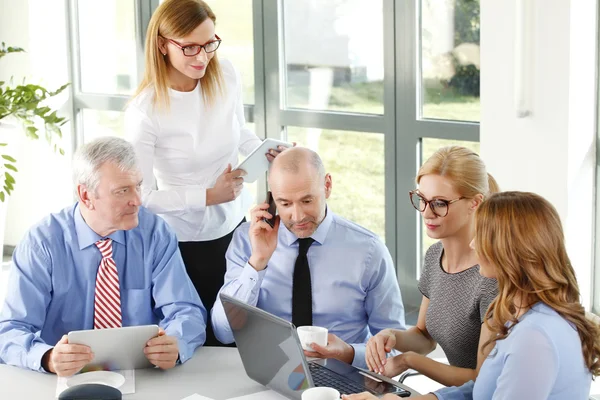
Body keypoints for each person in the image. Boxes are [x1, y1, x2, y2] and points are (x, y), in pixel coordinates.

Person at [124, 0, 284, 346]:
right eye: (190, 47)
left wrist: (265, 151)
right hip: (183, 242)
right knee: (199, 338)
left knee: (238, 332)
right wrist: (209, 196)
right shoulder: (145, 110)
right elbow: (143, 197)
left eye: (209, 43)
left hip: (233, 227)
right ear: (163, 45)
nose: (202, 57)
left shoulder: (224, 73)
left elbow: (237, 130)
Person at [343, 192, 600, 400]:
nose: (473, 244)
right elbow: (481, 390)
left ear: (508, 249)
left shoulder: (534, 338)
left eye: (482, 236)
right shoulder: (519, 316)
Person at [0, 137, 207, 377]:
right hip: (59, 380)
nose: (138, 201)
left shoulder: (155, 233)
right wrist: (46, 358)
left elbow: (186, 311)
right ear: (86, 195)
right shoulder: (41, 243)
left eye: (138, 186)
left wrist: (176, 343)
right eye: (123, 191)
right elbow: (11, 329)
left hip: (143, 375)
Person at [211, 147, 405, 367]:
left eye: (307, 201)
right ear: (272, 198)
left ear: (327, 185)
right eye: (284, 203)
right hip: (270, 376)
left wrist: (348, 353)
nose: (298, 216)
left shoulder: (368, 250)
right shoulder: (247, 241)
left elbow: (395, 347)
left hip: (343, 380)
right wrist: (256, 263)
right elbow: (223, 332)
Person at [363, 146, 499, 387]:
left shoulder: (491, 276)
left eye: (439, 203)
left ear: (475, 203)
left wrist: (409, 361)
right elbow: (425, 338)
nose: (426, 212)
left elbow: (482, 380)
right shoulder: (435, 256)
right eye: (422, 199)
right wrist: (391, 336)